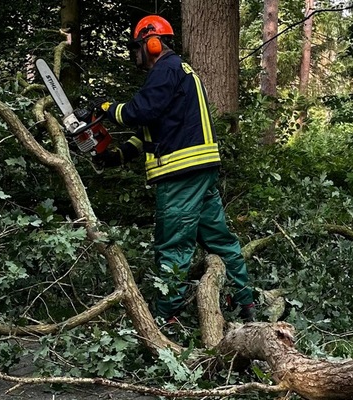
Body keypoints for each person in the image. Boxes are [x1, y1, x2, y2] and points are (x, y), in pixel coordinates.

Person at [90, 15, 255, 323]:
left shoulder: (165, 69)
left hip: (181, 172)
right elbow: (153, 126)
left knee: (173, 245)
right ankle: (246, 303)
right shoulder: (179, 71)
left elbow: (140, 112)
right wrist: (120, 155)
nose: (135, 55)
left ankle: (167, 317)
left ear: (151, 44)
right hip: (200, 171)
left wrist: (105, 108)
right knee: (220, 240)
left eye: (136, 48)